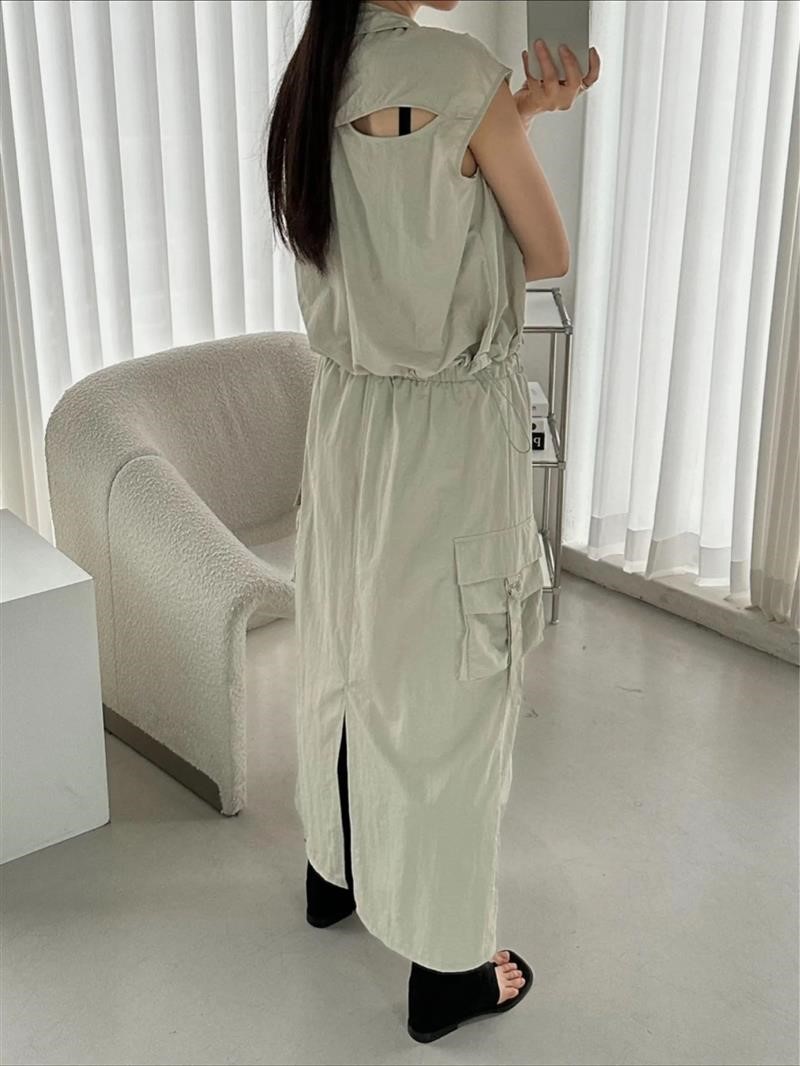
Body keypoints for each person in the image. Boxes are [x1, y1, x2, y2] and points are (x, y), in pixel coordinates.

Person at [265, 0, 600, 1044]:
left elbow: (404, 211)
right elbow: (544, 249)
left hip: (346, 418)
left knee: (345, 651)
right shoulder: (459, 74)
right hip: (448, 430)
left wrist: (510, 120)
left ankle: (333, 872)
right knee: (451, 689)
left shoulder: (313, 75)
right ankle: (449, 969)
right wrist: (508, 120)